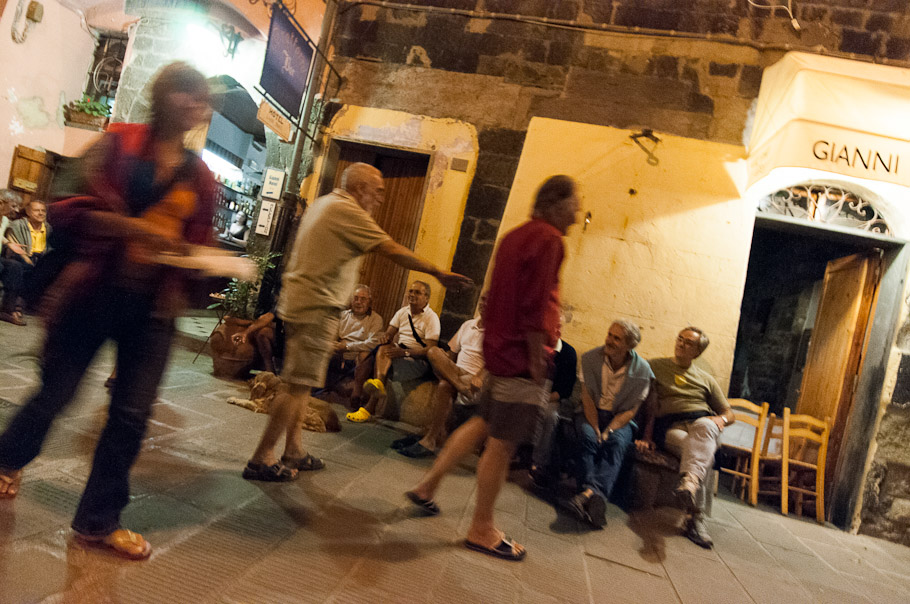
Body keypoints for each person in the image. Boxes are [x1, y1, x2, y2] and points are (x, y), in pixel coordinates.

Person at [0, 62, 216, 561]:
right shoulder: (118, 144)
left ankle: (98, 521)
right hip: (93, 292)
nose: (197, 103)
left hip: (153, 310)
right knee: (57, 392)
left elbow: (197, 242)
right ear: (166, 96)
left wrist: (197, 261)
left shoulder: (199, 174)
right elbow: (64, 205)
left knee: (132, 415)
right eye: (189, 93)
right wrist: (131, 229)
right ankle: (8, 459)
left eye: (202, 98)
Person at [243, 162, 472, 482]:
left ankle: (293, 449)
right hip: (315, 306)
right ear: (360, 188)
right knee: (294, 386)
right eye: (377, 192)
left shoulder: (324, 202)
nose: (379, 199)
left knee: (301, 383)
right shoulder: (348, 210)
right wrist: (438, 272)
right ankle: (261, 457)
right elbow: (390, 248)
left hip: (305, 303)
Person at [405, 174, 580, 562]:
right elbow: (535, 305)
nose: (578, 211)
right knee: (501, 445)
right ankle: (482, 527)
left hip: (499, 352)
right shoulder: (550, 239)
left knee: (482, 423)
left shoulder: (513, 236)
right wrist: (537, 359)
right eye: (574, 203)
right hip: (521, 358)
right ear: (555, 203)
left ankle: (428, 485)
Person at [638, 326, 735, 548]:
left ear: (697, 352)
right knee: (705, 455)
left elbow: (729, 414)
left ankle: (689, 485)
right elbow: (647, 403)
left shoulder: (706, 379)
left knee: (704, 429)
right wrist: (647, 434)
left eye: (688, 343)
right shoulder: (656, 366)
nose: (681, 344)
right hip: (673, 429)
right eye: (680, 339)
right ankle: (696, 520)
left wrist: (720, 420)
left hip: (701, 426)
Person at [562, 320, 653, 528]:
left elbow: (631, 410)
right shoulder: (590, 358)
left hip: (620, 418)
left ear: (629, 345)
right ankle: (595, 499)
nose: (609, 340)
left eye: (616, 338)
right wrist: (595, 428)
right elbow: (587, 398)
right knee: (587, 437)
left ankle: (586, 495)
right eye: (609, 335)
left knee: (617, 443)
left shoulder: (642, 371)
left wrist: (610, 429)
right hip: (591, 412)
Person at [392, 293, 487, 458]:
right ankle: (459, 389)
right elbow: (452, 353)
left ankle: (429, 437)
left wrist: (479, 377)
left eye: (490, 301)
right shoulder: (468, 325)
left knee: (444, 385)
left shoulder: (497, 332)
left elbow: (493, 363)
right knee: (433, 351)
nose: (484, 304)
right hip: (457, 375)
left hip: (472, 378)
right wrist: (442, 360)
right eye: (483, 300)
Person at [347, 280, 439, 422]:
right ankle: (372, 388)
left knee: (374, 360)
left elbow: (430, 350)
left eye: (417, 292)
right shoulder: (402, 312)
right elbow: (389, 334)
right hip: (399, 352)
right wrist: (386, 338)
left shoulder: (431, 318)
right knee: (378, 350)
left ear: (426, 297)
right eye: (411, 291)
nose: (412, 295)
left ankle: (365, 405)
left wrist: (405, 353)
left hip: (416, 360)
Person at [325, 284, 384, 398]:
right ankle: (322, 387)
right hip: (340, 351)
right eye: (355, 298)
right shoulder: (343, 315)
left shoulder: (376, 319)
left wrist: (348, 346)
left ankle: (356, 393)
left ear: (369, 302)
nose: (358, 302)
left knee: (365, 354)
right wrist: (332, 344)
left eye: (363, 299)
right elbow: (331, 334)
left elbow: (372, 343)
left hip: (358, 353)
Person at [0, 190, 26, 325]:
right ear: (1, 203)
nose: (16, 210)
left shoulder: (4, 219)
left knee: (15, 267)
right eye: (13, 205)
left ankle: (6, 310)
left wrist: (9, 243)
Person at [6, 199, 51, 266]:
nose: (41, 213)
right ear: (28, 212)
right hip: (22, 261)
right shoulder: (17, 226)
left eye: (43, 211)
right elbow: (15, 250)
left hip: (42, 261)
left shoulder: (48, 228)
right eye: (36, 210)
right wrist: (30, 263)